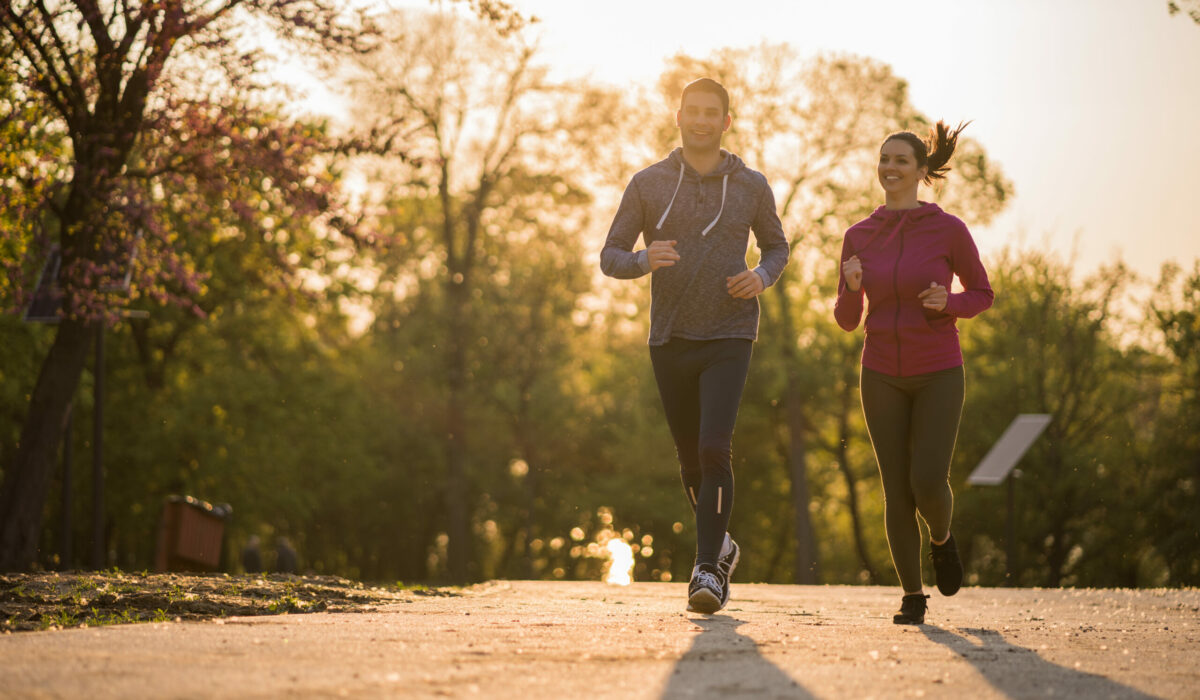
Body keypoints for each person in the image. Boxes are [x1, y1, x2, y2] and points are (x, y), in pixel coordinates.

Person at [601, 78, 790, 614]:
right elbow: (610, 254)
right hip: (670, 335)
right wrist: (643, 260)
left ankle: (707, 569)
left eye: (713, 113)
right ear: (678, 116)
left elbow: (777, 247)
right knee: (690, 460)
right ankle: (722, 545)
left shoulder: (752, 185)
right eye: (694, 112)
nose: (703, 120)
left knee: (714, 447)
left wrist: (761, 276)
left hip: (731, 331)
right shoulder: (648, 183)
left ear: (726, 121)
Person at [834, 121, 993, 625]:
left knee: (927, 480)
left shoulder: (948, 229)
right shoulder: (858, 235)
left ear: (922, 172)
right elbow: (845, 320)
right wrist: (852, 286)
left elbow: (982, 294)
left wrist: (950, 302)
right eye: (884, 159)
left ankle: (942, 540)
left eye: (901, 161)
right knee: (895, 487)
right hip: (879, 371)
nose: (890, 168)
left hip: (938, 369)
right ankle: (912, 595)